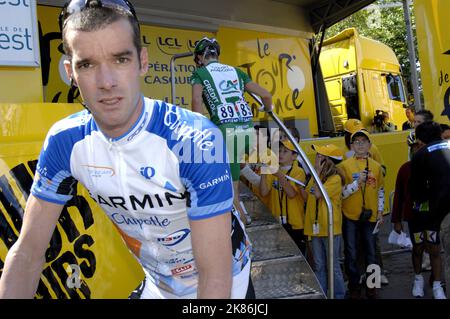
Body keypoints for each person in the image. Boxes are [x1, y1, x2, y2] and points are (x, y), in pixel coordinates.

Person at [0, 0, 253, 299]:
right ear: (70, 71)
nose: (106, 82)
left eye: (120, 60)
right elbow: (28, 253)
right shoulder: (64, 141)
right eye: (88, 64)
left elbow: (214, 276)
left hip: (226, 283)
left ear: (142, 62)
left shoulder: (195, 140)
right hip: (157, 284)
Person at [190, 37, 272, 226]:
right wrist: (266, 109)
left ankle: (244, 222)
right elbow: (266, 95)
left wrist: (199, 132)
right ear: (217, 55)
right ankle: (256, 181)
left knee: (231, 189)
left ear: (200, 58)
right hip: (248, 130)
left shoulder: (200, 73)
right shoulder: (236, 71)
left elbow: (196, 102)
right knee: (234, 161)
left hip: (226, 131)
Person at [391, 131, 446, 299]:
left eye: (421, 146)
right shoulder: (405, 169)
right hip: (414, 216)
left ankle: (437, 285)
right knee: (418, 249)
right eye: (415, 147)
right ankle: (418, 280)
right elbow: (399, 195)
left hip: (433, 216)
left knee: (434, 249)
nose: (418, 149)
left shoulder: (437, 165)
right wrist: (396, 220)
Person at [340, 129, 385, 299]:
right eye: (356, 142)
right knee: (351, 252)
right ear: (351, 146)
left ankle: (372, 286)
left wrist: (381, 212)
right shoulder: (344, 166)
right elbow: (341, 193)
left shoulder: (377, 167)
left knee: (371, 252)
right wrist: (356, 183)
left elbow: (380, 190)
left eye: (363, 141)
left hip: (371, 215)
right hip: (350, 215)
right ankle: (354, 286)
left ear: (369, 145)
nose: (360, 145)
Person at [410, 121, 450, 299]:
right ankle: (429, 283)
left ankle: (439, 286)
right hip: (436, 214)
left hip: (436, 214)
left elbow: (417, 190)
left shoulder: (421, 155)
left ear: (421, 139)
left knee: (441, 253)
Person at [301, 144, 346, 298]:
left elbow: (318, 193)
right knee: (319, 266)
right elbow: (307, 194)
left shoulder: (335, 179)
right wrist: (316, 174)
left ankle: (338, 295)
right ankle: (323, 295)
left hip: (329, 228)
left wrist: (317, 172)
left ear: (329, 161)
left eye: (321, 156)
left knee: (333, 266)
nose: (317, 158)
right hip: (315, 228)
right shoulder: (317, 176)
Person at [259, 140, 307, 253]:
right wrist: (263, 172)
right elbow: (264, 192)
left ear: (294, 156)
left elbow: (291, 194)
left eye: (285, 151)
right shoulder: (274, 170)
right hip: (278, 222)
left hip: (295, 223)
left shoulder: (298, 171)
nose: (280, 154)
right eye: (279, 151)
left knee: (297, 255)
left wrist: (280, 176)